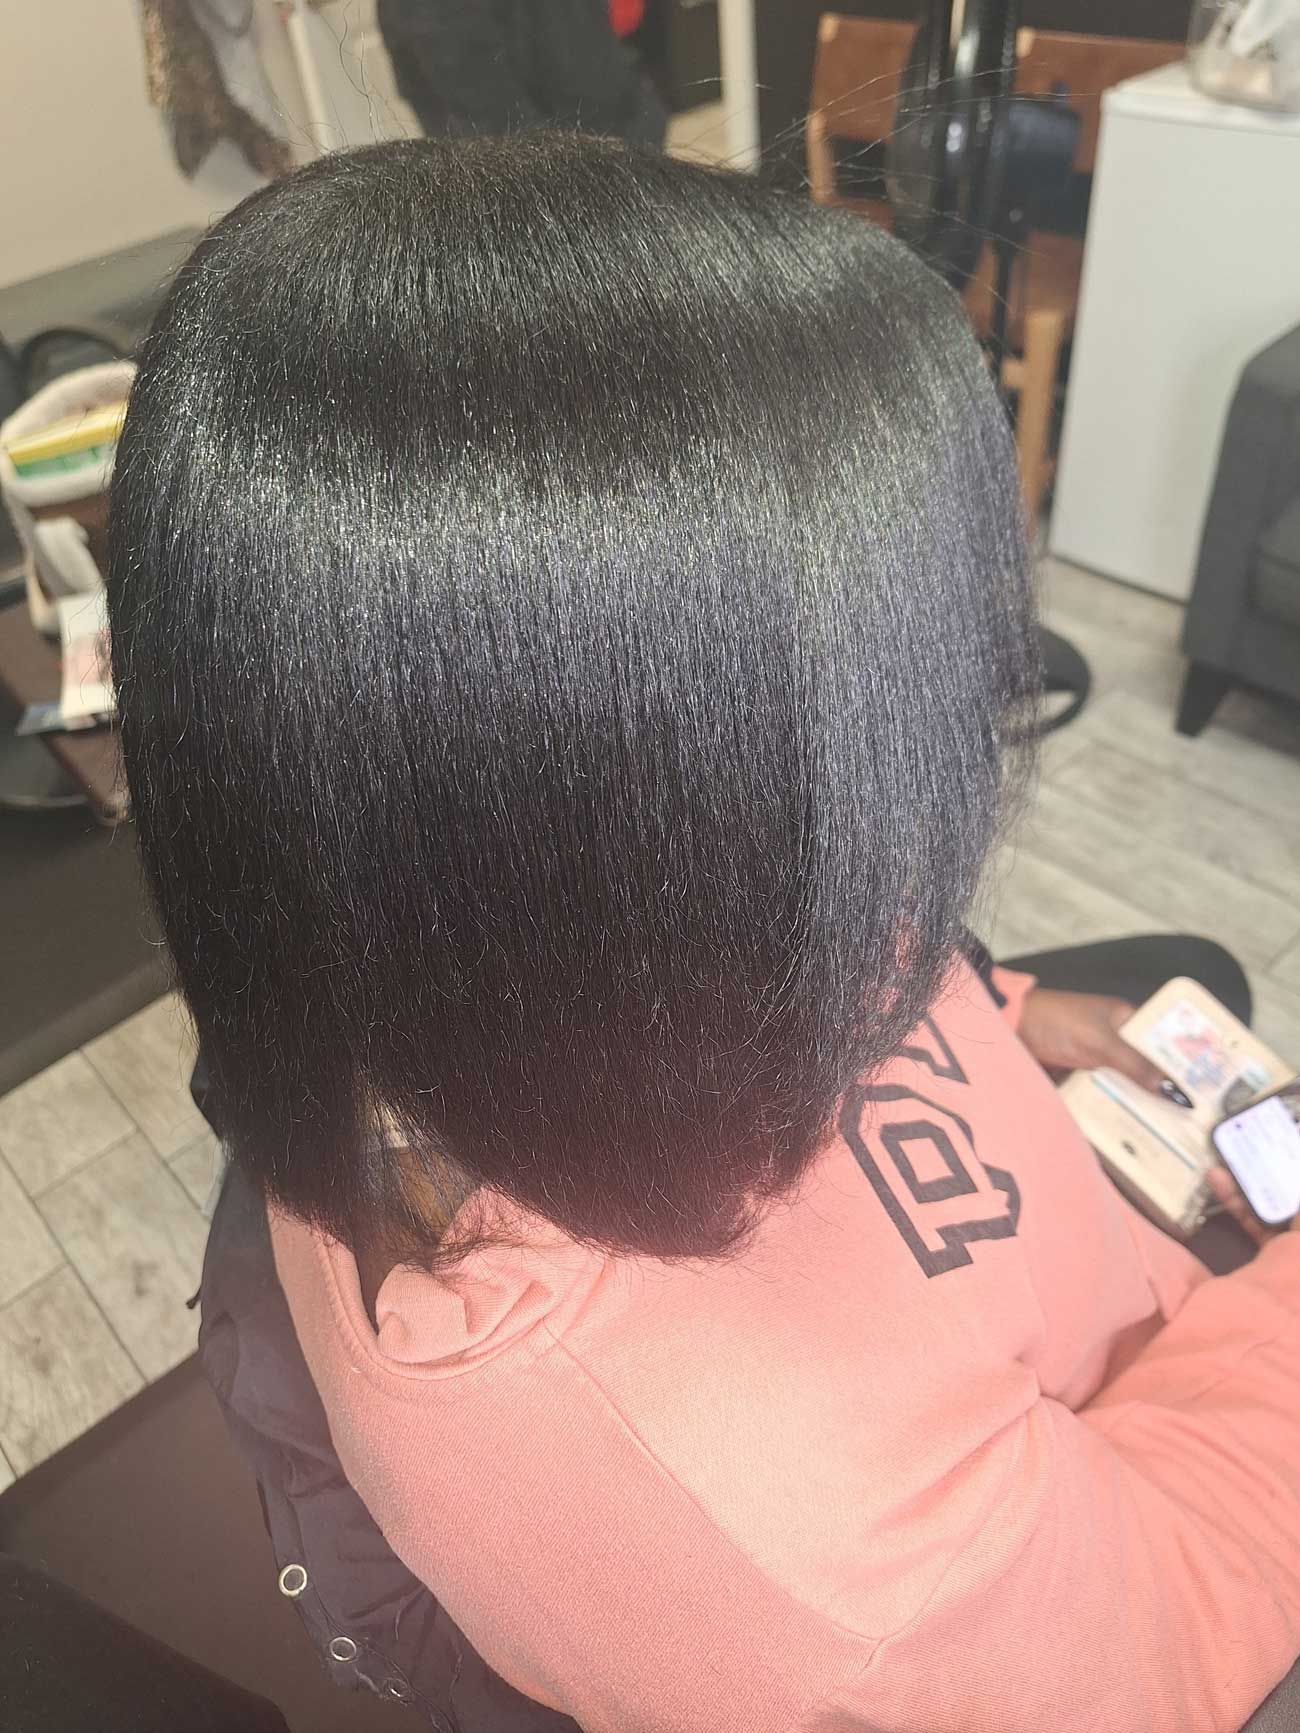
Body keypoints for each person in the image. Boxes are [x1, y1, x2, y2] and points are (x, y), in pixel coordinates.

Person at [107, 135, 1300, 1733]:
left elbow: (818, 915)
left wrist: (1001, 1003)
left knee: (1183, 991)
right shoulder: (804, 1548)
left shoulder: (456, 949)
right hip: (1182, 1450)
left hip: (1116, 1269)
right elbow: (1175, 1604)